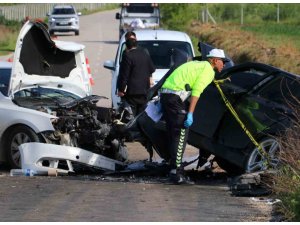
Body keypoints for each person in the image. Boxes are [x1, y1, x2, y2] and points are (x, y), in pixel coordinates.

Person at [159, 48, 228, 184]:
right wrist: (190, 114)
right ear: (214, 60)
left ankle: (173, 169)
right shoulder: (208, 70)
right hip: (174, 97)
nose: (224, 64)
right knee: (181, 134)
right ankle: (177, 174)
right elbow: (196, 92)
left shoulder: (198, 65)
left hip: (167, 96)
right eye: (222, 61)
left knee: (173, 134)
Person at [117, 32, 155, 118]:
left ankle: (132, 130)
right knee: (141, 115)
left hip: (132, 93)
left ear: (126, 46)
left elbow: (124, 75)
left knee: (131, 116)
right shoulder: (145, 54)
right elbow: (151, 69)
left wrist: (121, 89)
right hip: (144, 92)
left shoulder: (127, 55)